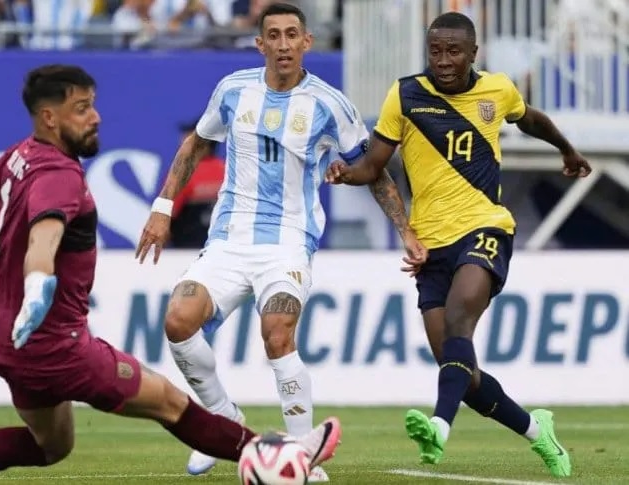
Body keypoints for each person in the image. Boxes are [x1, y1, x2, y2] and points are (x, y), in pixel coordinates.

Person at [0, 64, 340, 485]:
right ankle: (281, 457)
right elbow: (44, 238)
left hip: (4, 341)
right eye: (82, 108)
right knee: (171, 404)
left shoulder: (19, 156)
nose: (96, 116)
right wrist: (39, 284)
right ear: (50, 117)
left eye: (93, 105)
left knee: (50, 445)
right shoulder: (61, 176)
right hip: (55, 347)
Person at [135, 3, 424, 481]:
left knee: (277, 332)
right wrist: (162, 208)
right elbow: (196, 144)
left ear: (307, 42)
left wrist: (404, 230)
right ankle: (222, 419)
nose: (284, 44)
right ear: (260, 43)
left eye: (293, 34)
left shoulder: (330, 104)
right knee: (177, 321)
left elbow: (372, 168)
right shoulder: (233, 90)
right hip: (228, 240)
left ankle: (302, 453)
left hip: (289, 242)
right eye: (274, 35)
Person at [325, 11, 590, 478]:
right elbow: (373, 166)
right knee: (462, 373)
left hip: (485, 228)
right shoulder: (405, 94)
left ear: (473, 53)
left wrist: (566, 149)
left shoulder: (497, 89)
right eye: (435, 51)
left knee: (458, 324)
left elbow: (531, 119)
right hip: (430, 246)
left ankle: (438, 428)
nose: (443, 61)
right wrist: (346, 174)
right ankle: (538, 431)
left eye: (453, 51)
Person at [169, 117, 225, 248]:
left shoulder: (182, 173)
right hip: (221, 248)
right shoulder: (228, 170)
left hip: (187, 250)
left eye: (189, 137)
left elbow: (167, 215)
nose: (182, 141)